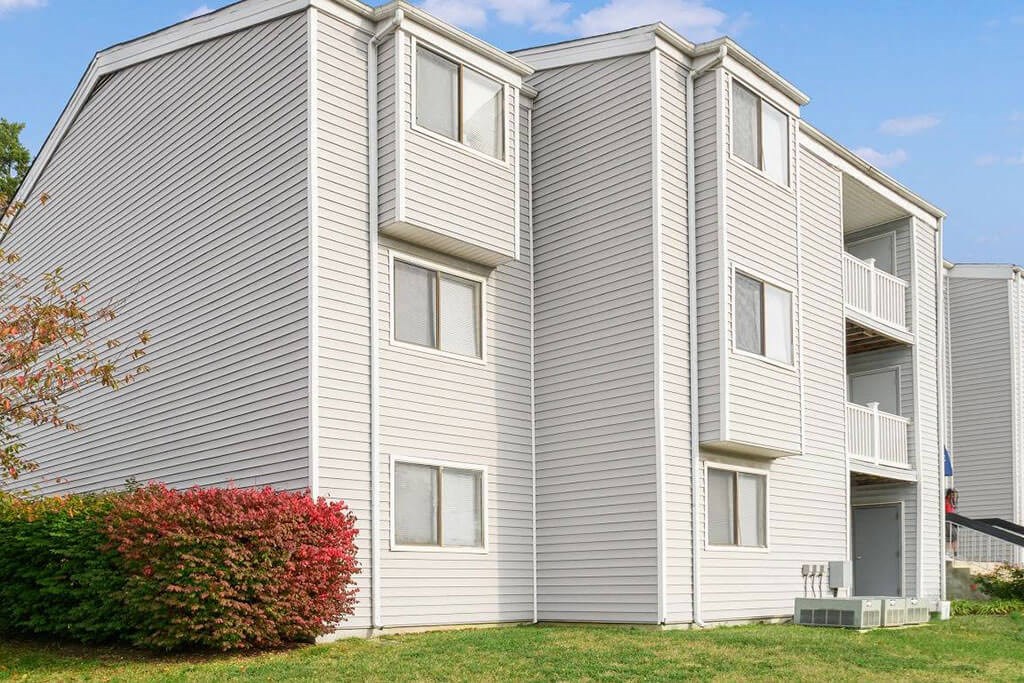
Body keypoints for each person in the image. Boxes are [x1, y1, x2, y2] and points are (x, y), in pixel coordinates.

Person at [945, 488, 959, 558]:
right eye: (952, 495)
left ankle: (954, 553)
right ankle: (948, 552)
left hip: (952, 522)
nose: (953, 496)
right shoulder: (946, 502)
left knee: (954, 537)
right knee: (952, 536)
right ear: (949, 495)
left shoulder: (952, 504)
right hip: (947, 522)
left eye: (954, 495)